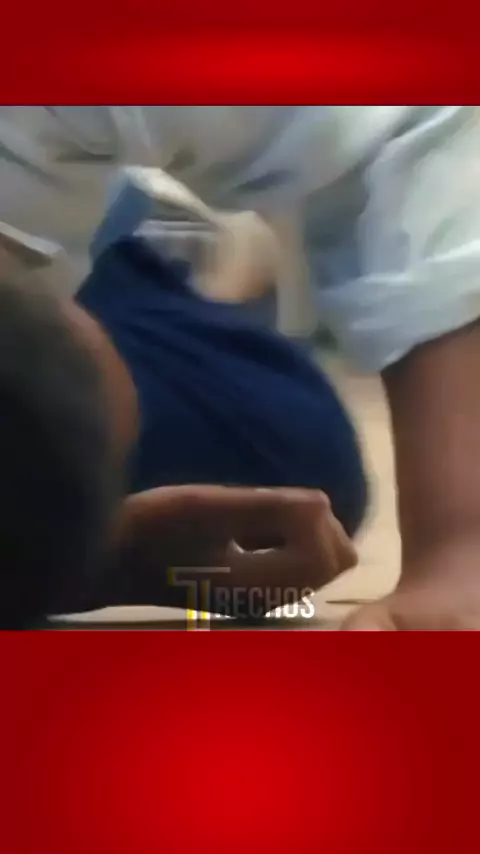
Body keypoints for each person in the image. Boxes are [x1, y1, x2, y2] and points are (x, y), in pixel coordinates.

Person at [1, 105, 480, 630]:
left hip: (58, 195)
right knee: (273, 493)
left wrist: (460, 550)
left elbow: (411, 112)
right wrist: (91, 565)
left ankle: (165, 231)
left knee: (286, 475)